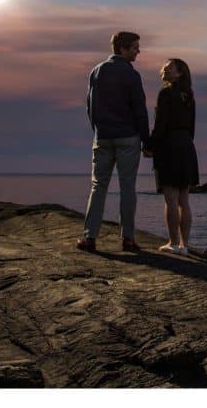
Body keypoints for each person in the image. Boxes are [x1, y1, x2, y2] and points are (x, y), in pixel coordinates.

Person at [77, 31, 151, 253]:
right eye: (135, 47)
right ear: (123, 48)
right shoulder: (132, 75)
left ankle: (89, 238)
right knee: (128, 188)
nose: (138, 51)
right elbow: (140, 110)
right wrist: (146, 141)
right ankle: (128, 239)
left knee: (98, 186)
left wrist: (98, 130)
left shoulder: (97, 71)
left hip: (103, 137)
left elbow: (89, 105)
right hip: (128, 137)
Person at [149, 58, 199, 255]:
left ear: (179, 73)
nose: (164, 69)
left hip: (169, 146)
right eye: (165, 66)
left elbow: (160, 125)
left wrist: (150, 146)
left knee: (171, 200)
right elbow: (192, 127)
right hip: (186, 146)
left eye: (170, 68)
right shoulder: (189, 96)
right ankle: (184, 246)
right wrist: (186, 144)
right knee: (184, 200)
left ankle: (173, 242)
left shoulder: (165, 94)